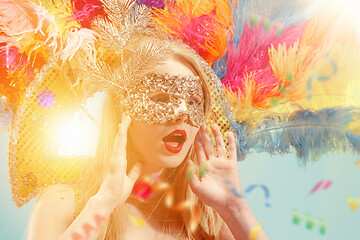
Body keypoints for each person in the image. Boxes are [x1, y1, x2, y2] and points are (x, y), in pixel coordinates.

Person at [24, 24, 269, 240]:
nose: (183, 113)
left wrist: (235, 208)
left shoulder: (211, 221)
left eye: (194, 101)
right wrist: (102, 205)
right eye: (161, 99)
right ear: (123, 109)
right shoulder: (65, 201)